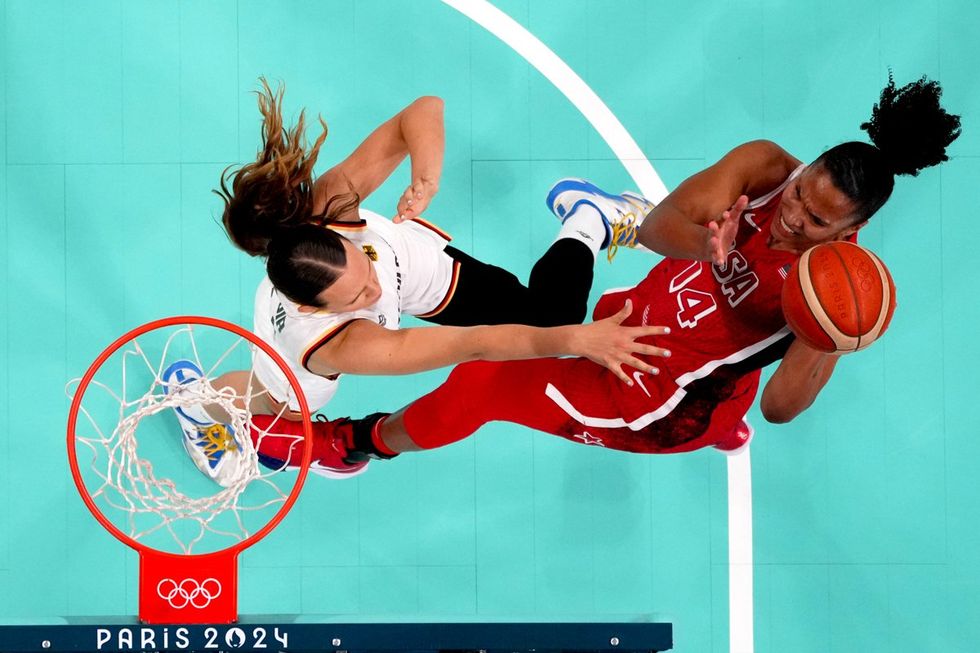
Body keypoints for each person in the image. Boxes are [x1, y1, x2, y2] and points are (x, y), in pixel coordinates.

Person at [324, 74, 962, 461]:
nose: (793, 216)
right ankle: (719, 423)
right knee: (605, 319)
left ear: (851, 232)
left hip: (653, 397)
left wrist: (827, 340)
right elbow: (656, 226)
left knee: (483, 382)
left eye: (816, 222)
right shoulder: (767, 168)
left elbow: (782, 409)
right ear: (804, 169)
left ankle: (355, 442)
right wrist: (711, 243)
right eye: (799, 194)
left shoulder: (834, 293)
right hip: (649, 310)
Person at [166, 80, 669, 486]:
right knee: (275, 402)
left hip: (427, 275)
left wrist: (426, 176)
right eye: (360, 297)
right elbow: (475, 346)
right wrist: (578, 341)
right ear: (321, 308)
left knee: (550, 315)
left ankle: (589, 218)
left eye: (363, 267)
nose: (375, 292)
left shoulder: (328, 209)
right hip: (304, 354)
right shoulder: (343, 342)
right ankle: (196, 403)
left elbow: (422, 110)